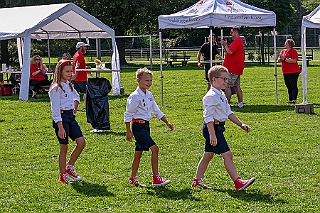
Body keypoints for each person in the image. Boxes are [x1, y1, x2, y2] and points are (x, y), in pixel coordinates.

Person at [192, 65, 255, 190]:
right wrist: (212, 134)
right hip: (212, 129)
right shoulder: (210, 96)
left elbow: (228, 112)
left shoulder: (220, 94)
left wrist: (241, 124)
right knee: (227, 154)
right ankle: (238, 182)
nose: (227, 82)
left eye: (227, 79)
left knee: (208, 155)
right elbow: (208, 117)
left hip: (218, 128)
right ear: (214, 79)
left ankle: (197, 180)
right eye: (224, 79)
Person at [124, 67, 174, 187]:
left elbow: (156, 110)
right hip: (138, 127)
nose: (149, 83)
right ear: (138, 80)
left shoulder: (149, 95)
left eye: (150, 80)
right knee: (155, 148)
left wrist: (166, 122)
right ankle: (156, 178)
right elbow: (128, 114)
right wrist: (128, 131)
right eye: (146, 80)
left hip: (146, 126)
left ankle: (133, 177)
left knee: (138, 153)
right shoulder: (134, 97)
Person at [49, 59, 86, 184]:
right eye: (67, 71)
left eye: (71, 71)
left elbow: (76, 96)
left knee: (81, 142)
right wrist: (60, 126)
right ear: (60, 72)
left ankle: (69, 166)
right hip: (62, 119)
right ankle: (62, 175)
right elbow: (55, 109)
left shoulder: (69, 85)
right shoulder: (56, 88)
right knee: (64, 148)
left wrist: (75, 104)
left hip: (71, 117)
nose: (70, 74)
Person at [220, 28, 245, 108]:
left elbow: (230, 52)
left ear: (236, 32)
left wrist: (225, 45)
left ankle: (227, 104)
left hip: (233, 68)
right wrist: (224, 46)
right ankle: (240, 103)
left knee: (227, 86)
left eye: (232, 32)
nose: (230, 33)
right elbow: (228, 51)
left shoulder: (238, 40)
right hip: (235, 67)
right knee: (236, 86)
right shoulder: (236, 41)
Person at [278, 39, 301, 104]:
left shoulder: (293, 51)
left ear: (290, 44)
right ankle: (290, 99)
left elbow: (294, 60)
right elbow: (279, 59)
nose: (285, 44)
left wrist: (284, 59)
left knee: (293, 85)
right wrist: (280, 59)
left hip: (293, 71)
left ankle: (294, 99)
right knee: (288, 85)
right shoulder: (283, 51)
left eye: (286, 43)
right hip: (285, 71)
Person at [72, 42, 90, 109]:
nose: (85, 48)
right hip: (81, 78)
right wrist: (76, 74)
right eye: (84, 46)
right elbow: (77, 66)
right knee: (87, 92)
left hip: (76, 78)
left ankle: (74, 107)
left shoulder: (76, 55)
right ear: (81, 47)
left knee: (75, 94)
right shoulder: (79, 55)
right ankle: (86, 106)